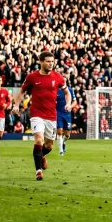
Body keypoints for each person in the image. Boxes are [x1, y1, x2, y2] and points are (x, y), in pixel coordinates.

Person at [14, 52, 71, 181]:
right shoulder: (32, 77)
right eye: (48, 61)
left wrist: (68, 103)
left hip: (51, 115)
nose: (51, 64)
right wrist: (16, 105)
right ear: (41, 62)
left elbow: (67, 92)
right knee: (39, 140)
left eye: (52, 61)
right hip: (37, 114)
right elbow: (21, 91)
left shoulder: (58, 77)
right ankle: (38, 171)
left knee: (49, 146)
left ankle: (41, 155)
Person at [56, 84, 75, 156]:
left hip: (67, 114)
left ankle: (63, 142)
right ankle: (61, 151)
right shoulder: (56, 91)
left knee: (67, 135)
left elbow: (75, 101)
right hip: (58, 113)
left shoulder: (70, 90)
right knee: (59, 131)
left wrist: (70, 106)